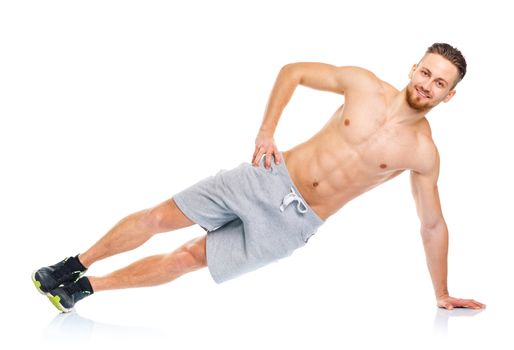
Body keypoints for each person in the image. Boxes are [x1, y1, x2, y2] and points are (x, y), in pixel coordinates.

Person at [33, 43, 486, 313]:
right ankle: (75, 264)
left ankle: (83, 291)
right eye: (426, 72)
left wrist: (442, 292)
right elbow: (294, 72)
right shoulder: (363, 84)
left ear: (449, 96)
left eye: (440, 83)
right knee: (160, 217)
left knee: (187, 259)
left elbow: (432, 225)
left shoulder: (423, 153)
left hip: (293, 225)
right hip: (268, 176)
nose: (428, 83)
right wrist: (267, 131)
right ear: (413, 68)